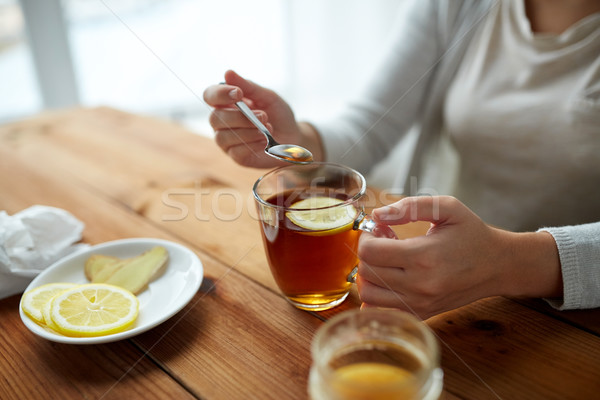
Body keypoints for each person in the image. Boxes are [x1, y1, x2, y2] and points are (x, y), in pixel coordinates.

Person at [203, 0, 600, 319]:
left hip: (574, 316)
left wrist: (507, 263)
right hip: (434, 269)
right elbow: (372, 122)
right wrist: (301, 141)